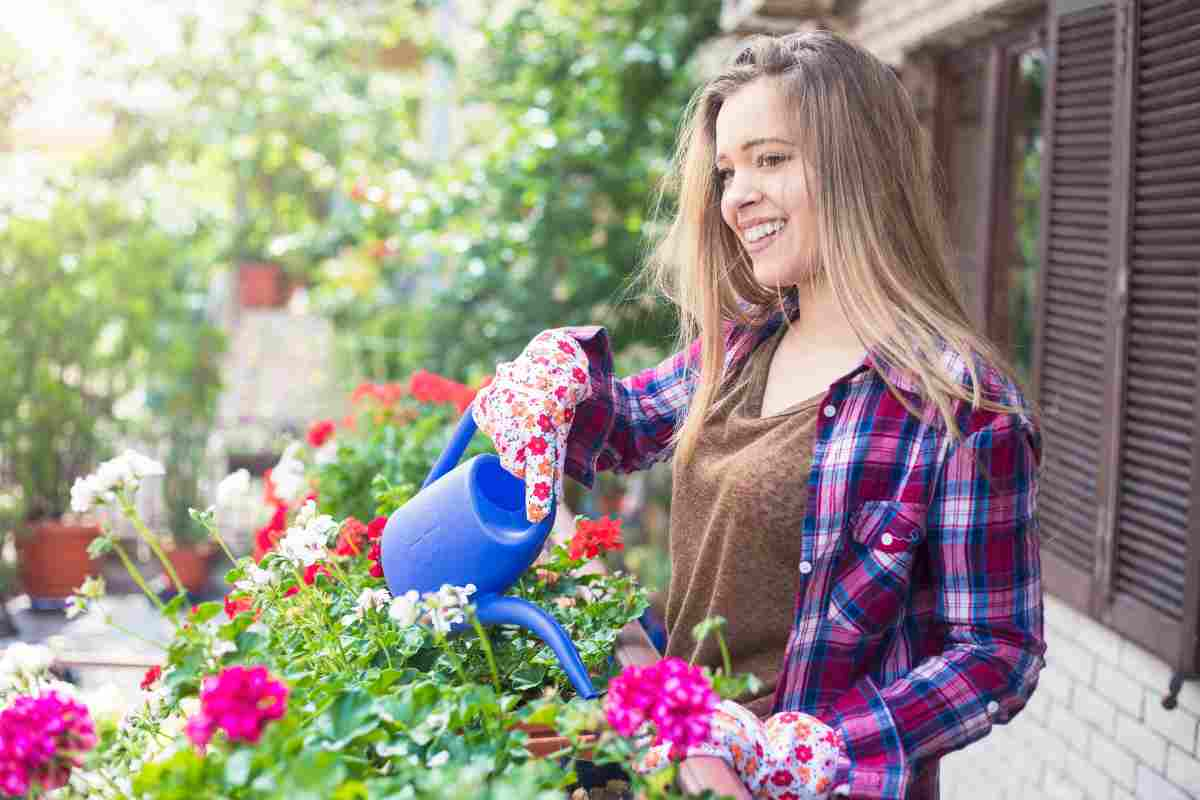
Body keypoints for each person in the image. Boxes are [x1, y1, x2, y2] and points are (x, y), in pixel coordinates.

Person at [473, 30, 1045, 800]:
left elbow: (995, 650)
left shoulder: (959, 406)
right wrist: (556, 383)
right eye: (727, 170)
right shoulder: (744, 348)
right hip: (682, 763)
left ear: (859, 168)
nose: (736, 195)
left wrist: (818, 746)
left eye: (771, 159)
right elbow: (624, 424)